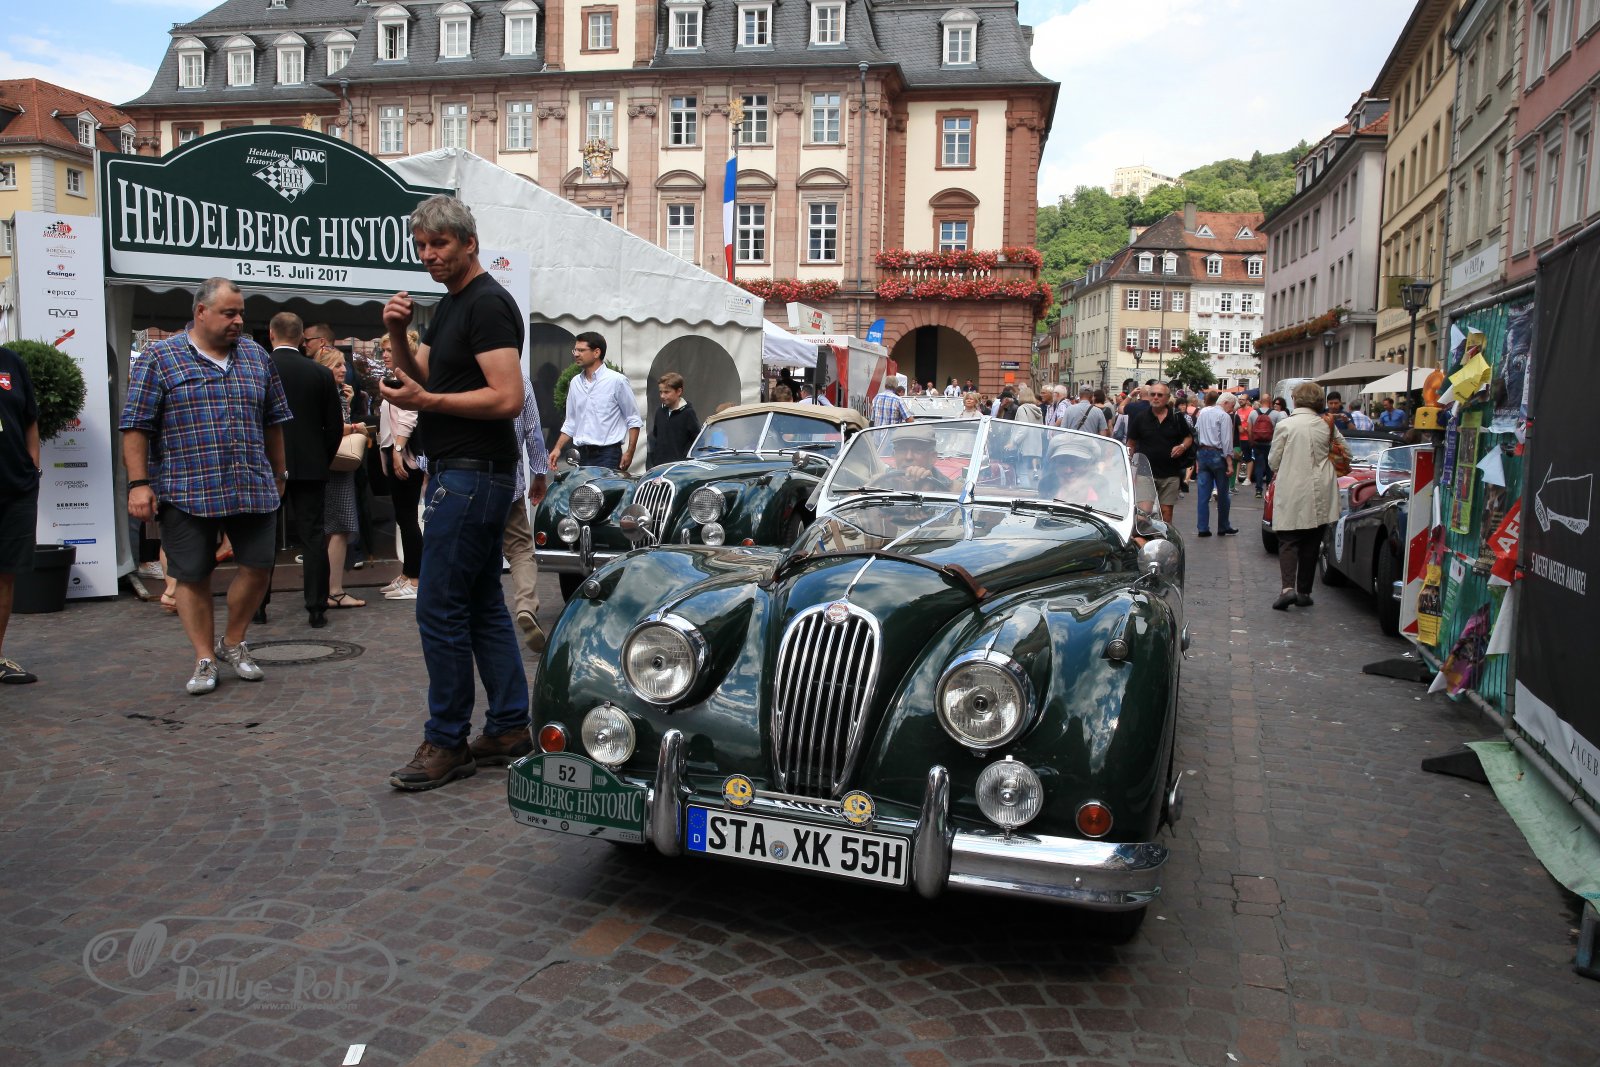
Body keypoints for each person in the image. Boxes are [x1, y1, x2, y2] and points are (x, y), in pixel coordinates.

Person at [380, 194, 530, 790]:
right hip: (463, 472)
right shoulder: (449, 306)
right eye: (421, 245)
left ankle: (447, 741)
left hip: (472, 474)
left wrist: (428, 401)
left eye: (439, 243)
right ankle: (509, 727)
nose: (428, 254)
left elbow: (507, 397)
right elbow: (421, 375)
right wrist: (397, 334)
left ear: (469, 242)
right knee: (481, 602)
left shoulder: (487, 303)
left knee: (439, 606)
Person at [120, 278, 291, 695]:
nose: (238, 321)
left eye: (241, 313)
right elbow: (136, 426)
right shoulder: (160, 358)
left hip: (251, 484)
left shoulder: (256, 356)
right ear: (201, 312)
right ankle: (204, 657)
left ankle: (232, 642)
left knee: (258, 566)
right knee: (192, 575)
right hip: (186, 488)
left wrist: (280, 473)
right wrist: (139, 484)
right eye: (229, 313)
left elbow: (274, 421)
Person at [268, 312, 343, 628]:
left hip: (268, 466)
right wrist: (322, 458)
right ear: (301, 338)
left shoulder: (260, 368)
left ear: (271, 334)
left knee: (264, 535)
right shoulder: (320, 374)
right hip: (312, 464)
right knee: (313, 536)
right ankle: (316, 607)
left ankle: (258, 604)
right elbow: (334, 426)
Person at [1268, 381, 1346, 610]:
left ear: (1296, 400)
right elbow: (1346, 451)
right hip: (1322, 486)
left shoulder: (1286, 425)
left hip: (1292, 484)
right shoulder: (1327, 424)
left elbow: (1273, 460)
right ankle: (1304, 592)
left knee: (1288, 538)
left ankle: (1287, 589)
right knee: (1312, 540)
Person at [0, 343, 41, 683]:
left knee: (5, 576)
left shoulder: (11, 363)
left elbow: (30, 421)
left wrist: (33, 471)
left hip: (16, 488)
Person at [503, 374, 550, 651]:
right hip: (508, 483)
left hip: (464, 485)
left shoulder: (459, 371)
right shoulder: (518, 380)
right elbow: (533, 431)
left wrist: (427, 466)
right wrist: (540, 474)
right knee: (520, 550)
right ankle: (525, 605)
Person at [550, 333, 642, 470]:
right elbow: (571, 421)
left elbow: (633, 418)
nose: (576, 354)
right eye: (575, 350)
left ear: (596, 352)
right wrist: (557, 448)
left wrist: (630, 452)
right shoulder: (575, 382)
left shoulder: (617, 381)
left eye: (581, 350)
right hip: (581, 454)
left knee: (604, 485)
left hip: (608, 454)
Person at [378, 330, 423, 601]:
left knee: (408, 518)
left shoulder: (407, 380)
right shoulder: (396, 379)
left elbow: (408, 416)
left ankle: (416, 578)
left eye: (389, 350)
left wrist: (397, 450)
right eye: (383, 350)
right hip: (396, 452)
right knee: (403, 517)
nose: (384, 354)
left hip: (405, 455)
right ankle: (408, 573)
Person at [1125, 381, 1192, 523]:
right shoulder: (1141, 417)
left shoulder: (1177, 417)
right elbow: (1131, 443)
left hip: (1170, 473)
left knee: (1166, 513)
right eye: (1153, 394)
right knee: (1143, 514)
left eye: (1160, 395)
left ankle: (1163, 537)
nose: (1155, 397)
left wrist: (1182, 446)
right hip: (1145, 472)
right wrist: (1129, 466)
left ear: (1167, 398)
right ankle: (1141, 536)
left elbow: (1188, 438)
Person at [1192, 391, 1237, 537]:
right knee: (1223, 493)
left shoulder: (1203, 414)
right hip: (1217, 454)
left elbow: (1197, 433)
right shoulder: (1224, 416)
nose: (1232, 409)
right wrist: (1229, 463)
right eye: (1232, 406)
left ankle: (1202, 528)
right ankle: (1223, 526)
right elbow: (1226, 441)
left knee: (1203, 494)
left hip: (1203, 453)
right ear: (1226, 403)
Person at [647, 371, 700, 467]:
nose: (662, 396)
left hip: (679, 467)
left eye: (666, 392)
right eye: (660, 392)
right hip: (660, 466)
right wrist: (655, 459)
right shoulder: (660, 412)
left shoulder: (688, 413)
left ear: (679, 391)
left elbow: (697, 440)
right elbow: (656, 436)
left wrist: (685, 460)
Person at [883, 430, 954, 492]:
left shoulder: (953, 490)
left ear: (932, 457)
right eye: (902, 449)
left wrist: (927, 491)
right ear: (894, 455)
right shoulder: (881, 483)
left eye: (918, 450)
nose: (908, 457)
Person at [1246, 396, 1276, 496]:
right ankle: (1268, 488)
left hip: (1257, 443)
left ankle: (1258, 490)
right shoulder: (1275, 414)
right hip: (1270, 443)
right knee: (1269, 466)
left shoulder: (1253, 413)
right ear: (1270, 402)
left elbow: (1249, 430)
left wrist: (1251, 442)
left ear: (1260, 401)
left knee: (1259, 466)